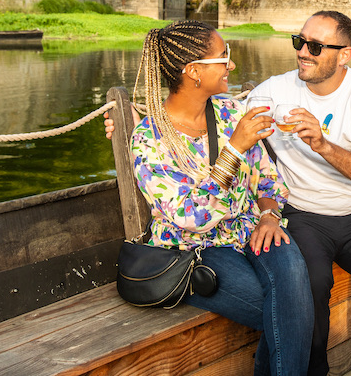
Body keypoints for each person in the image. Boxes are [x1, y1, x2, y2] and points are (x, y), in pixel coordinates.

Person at [120, 20, 313, 376]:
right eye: (223, 57)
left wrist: (270, 216)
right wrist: (234, 148)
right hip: (195, 250)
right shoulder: (150, 139)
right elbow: (190, 217)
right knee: (289, 312)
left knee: (295, 293)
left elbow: (267, 180)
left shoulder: (230, 113)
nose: (232, 65)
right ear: (194, 72)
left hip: (254, 230)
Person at [248, 11, 351, 376]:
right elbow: (215, 120)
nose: (303, 53)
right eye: (300, 41)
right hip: (303, 214)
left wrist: (323, 144)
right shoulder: (273, 91)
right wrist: (147, 121)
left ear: (344, 55)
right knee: (310, 285)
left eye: (315, 46)